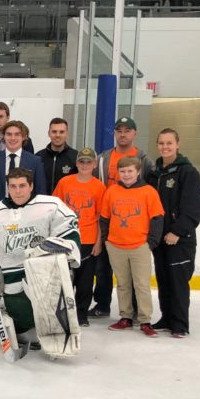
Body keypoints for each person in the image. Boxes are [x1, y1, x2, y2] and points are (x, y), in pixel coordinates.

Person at [0, 168, 81, 357]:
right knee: (18, 303)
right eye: (13, 186)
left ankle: (55, 329)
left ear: (31, 186)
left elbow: (69, 234)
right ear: (7, 187)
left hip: (43, 269)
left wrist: (61, 247)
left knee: (48, 293)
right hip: (11, 274)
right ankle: (24, 327)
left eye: (22, 185)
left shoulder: (51, 205)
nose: (18, 191)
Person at [88, 115, 154, 318]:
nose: (123, 134)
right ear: (114, 133)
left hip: (132, 224)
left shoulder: (143, 159)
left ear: (135, 133)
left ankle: (134, 310)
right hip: (108, 219)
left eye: (127, 131)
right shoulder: (103, 158)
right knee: (103, 268)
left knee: (133, 274)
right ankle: (102, 305)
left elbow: (150, 190)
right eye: (119, 131)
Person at [147, 129, 200, 338]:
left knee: (178, 281)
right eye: (161, 143)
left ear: (177, 144)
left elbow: (193, 208)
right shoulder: (154, 174)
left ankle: (179, 323)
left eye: (169, 143)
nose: (165, 147)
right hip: (160, 238)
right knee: (164, 280)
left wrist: (177, 232)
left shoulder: (188, 172)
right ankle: (167, 318)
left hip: (180, 239)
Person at [100, 156, 164, 336]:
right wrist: (106, 239)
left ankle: (145, 320)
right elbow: (104, 217)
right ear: (118, 173)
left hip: (139, 246)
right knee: (123, 284)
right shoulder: (112, 191)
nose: (126, 174)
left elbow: (157, 218)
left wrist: (151, 242)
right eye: (123, 171)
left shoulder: (148, 191)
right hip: (116, 245)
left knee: (142, 284)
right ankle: (126, 317)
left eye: (130, 171)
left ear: (138, 172)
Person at [52, 147, 106, 327]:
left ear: (94, 164)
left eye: (88, 162)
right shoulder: (65, 182)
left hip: (88, 240)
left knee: (85, 281)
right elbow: (55, 210)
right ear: (76, 163)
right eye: (82, 161)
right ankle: (62, 312)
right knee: (65, 278)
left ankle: (81, 314)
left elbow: (100, 216)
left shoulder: (99, 187)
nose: (85, 165)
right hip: (66, 238)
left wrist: (98, 242)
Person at [0, 120, 48, 215]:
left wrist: (37, 215)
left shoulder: (35, 161)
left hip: (27, 215)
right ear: (4, 136)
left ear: (24, 137)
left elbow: (40, 192)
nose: (12, 138)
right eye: (9, 134)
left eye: (17, 134)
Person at [36, 117, 77, 191]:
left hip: (65, 198)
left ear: (67, 134)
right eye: (54, 132)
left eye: (62, 132)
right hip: (42, 198)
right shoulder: (38, 157)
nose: (58, 135)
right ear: (49, 133)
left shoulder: (76, 157)